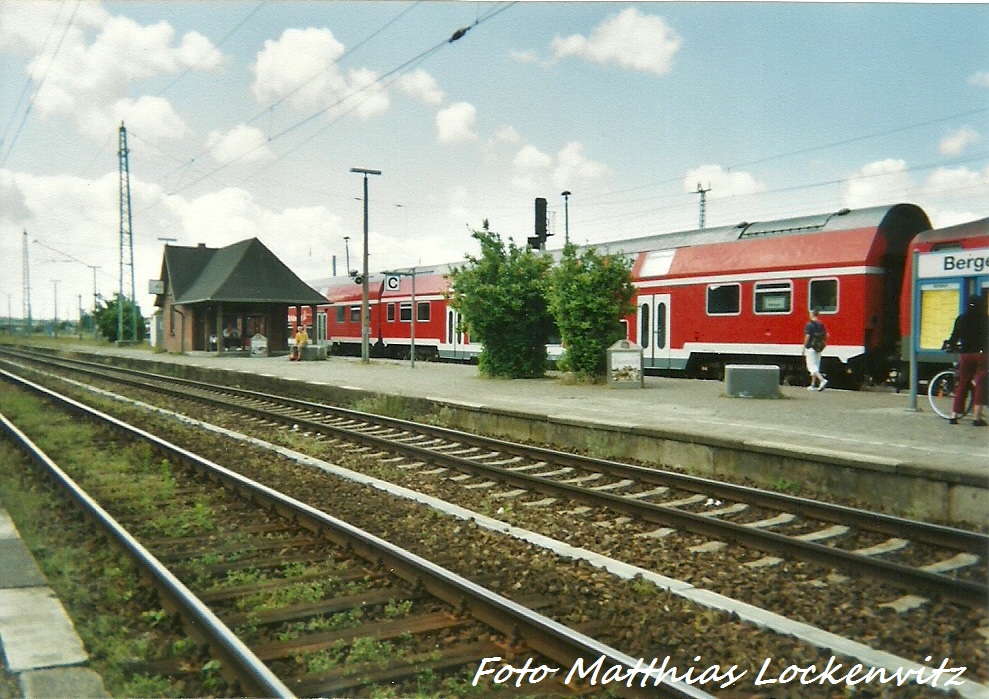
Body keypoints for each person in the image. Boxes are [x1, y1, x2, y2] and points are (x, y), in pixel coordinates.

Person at [945, 294, 987, 426]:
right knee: (980, 384)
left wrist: (950, 345)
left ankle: (954, 415)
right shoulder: (985, 320)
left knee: (962, 383)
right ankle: (976, 418)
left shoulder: (961, 319)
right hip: (982, 355)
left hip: (965, 355)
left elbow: (954, 337)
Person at [802, 308, 828, 391]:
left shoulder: (809, 325)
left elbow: (807, 336)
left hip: (811, 347)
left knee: (811, 366)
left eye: (810, 314)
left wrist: (804, 347)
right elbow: (826, 335)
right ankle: (812, 384)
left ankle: (822, 380)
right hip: (818, 347)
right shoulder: (821, 324)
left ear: (812, 314)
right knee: (816, 366)